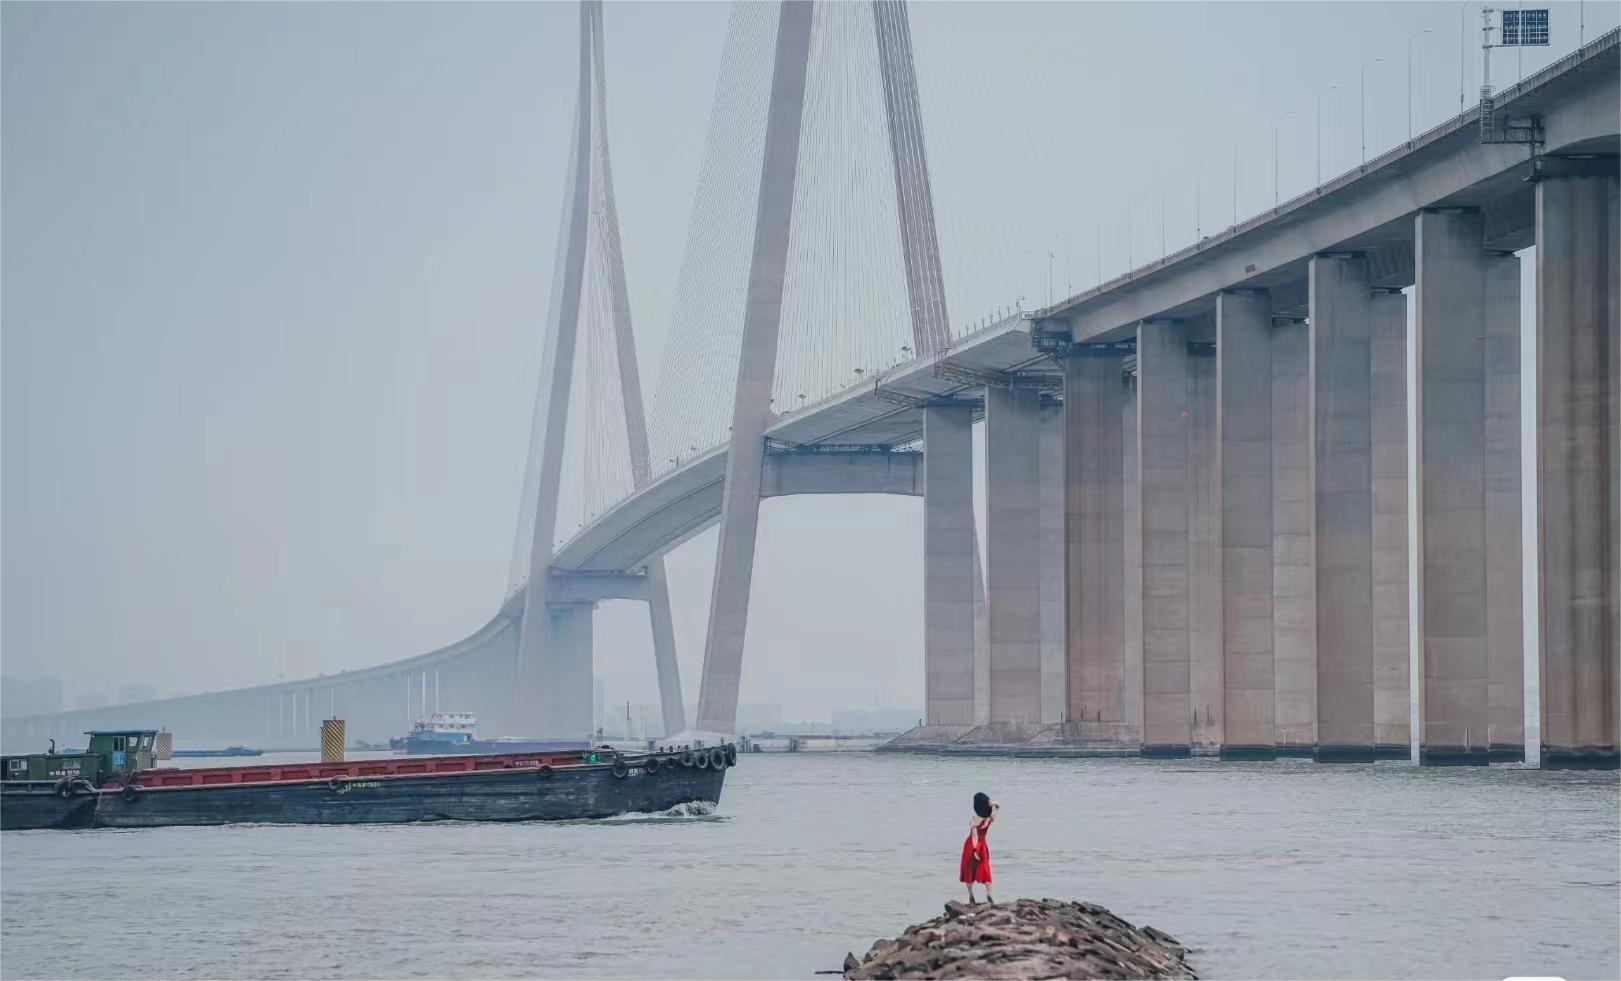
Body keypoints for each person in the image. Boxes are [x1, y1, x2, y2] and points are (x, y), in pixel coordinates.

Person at [959, 791, 998, 904]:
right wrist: (991, 803)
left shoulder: (974, 820)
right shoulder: (989, 819)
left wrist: (975, 850)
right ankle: (989, 893)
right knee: (985, 869)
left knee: (968, 870)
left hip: (971, 845)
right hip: (983, 844)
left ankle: (971, 896)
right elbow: (997, 806)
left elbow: (975, 835)